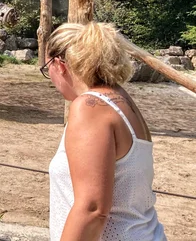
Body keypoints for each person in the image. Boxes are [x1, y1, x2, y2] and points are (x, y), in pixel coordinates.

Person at [43, 22, 166, 241]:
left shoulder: (90, 107)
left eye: (46, 70)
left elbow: (92, 209)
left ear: (59, 64)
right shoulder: (123, 101)